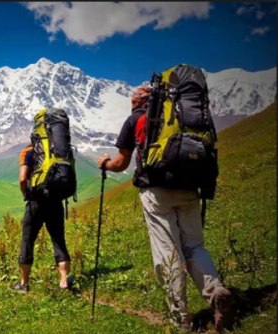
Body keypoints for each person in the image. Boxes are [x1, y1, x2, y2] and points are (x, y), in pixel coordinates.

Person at [97, 86, 234, 331]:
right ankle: (216, 291)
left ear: (138, 101)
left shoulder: (137, 119)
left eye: (132, 100)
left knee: (168, 253)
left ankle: (180, 319)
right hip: (189, 188)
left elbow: (121, 162)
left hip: (156, 191)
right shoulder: (182, 118)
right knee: (194, 246)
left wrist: (105, 163)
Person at [9, 144, 72, 293]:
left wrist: (26, 194)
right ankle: (64, 281)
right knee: (58, 241)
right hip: (55, 202)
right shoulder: (59, 149)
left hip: (35, 202)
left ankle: (24, 284)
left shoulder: (29, 150)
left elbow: (23, 179)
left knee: (27, 241)